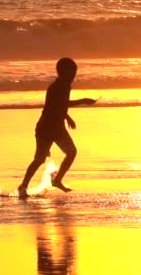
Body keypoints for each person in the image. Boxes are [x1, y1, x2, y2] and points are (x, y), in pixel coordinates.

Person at [17, 58, 96, 198]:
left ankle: (57, 180)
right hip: (46, 128)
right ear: (62, 73)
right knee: (39, 159)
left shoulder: (66, 86)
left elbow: (60, 106)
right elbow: (57, 105)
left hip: (58, 128)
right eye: (71, 74)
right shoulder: (56, 87)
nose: (73, 77)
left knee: (71, 152)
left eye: (74, 73)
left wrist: (67, 117)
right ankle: (23, 186)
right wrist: (83, 100)